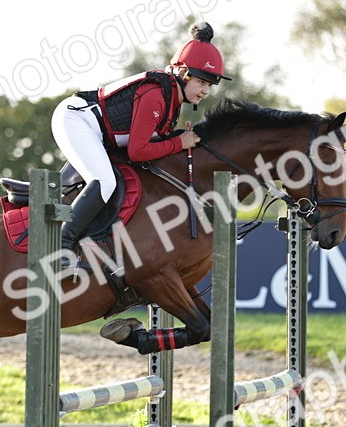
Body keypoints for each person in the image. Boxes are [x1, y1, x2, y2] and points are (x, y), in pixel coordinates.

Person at [51, 22, 231, 267]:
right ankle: (62, 246)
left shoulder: (172, 102)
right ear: (183, 74)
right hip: (76, 119)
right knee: (105, 181)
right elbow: (137, 152)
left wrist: (177, 141)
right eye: (201, 82)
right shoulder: (156, 95)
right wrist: (179, 142)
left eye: (209, 85)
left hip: (98, 132)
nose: (205, 91)